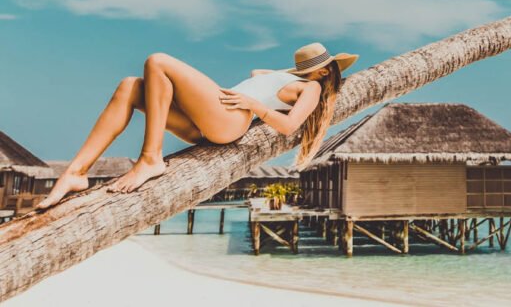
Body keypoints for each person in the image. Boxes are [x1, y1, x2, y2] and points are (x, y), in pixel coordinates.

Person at [36, 42, 358, 209]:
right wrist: (290, 73)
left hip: (230, 119)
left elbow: (289, 126)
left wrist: (255, 105)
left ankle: (151, 158)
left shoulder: (313, 89)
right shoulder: (295, 79)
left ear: (325, 73)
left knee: (158, 61)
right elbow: (259, 73)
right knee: (130, 88)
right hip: (206, 122)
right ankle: (76, 172)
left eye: (324, 68)